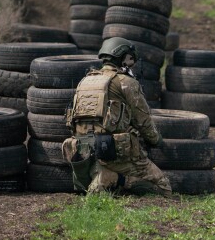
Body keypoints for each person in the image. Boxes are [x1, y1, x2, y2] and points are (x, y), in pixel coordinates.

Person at [63, 37, 172, 196]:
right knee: (164, 188)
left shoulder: (85, 81)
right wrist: (157, 141)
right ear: (123, 58)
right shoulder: (126, 82)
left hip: (84, 151)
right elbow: (143, 121)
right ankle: (113, 178)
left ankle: (102, 177)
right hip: (114, 151)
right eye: (130, 58)